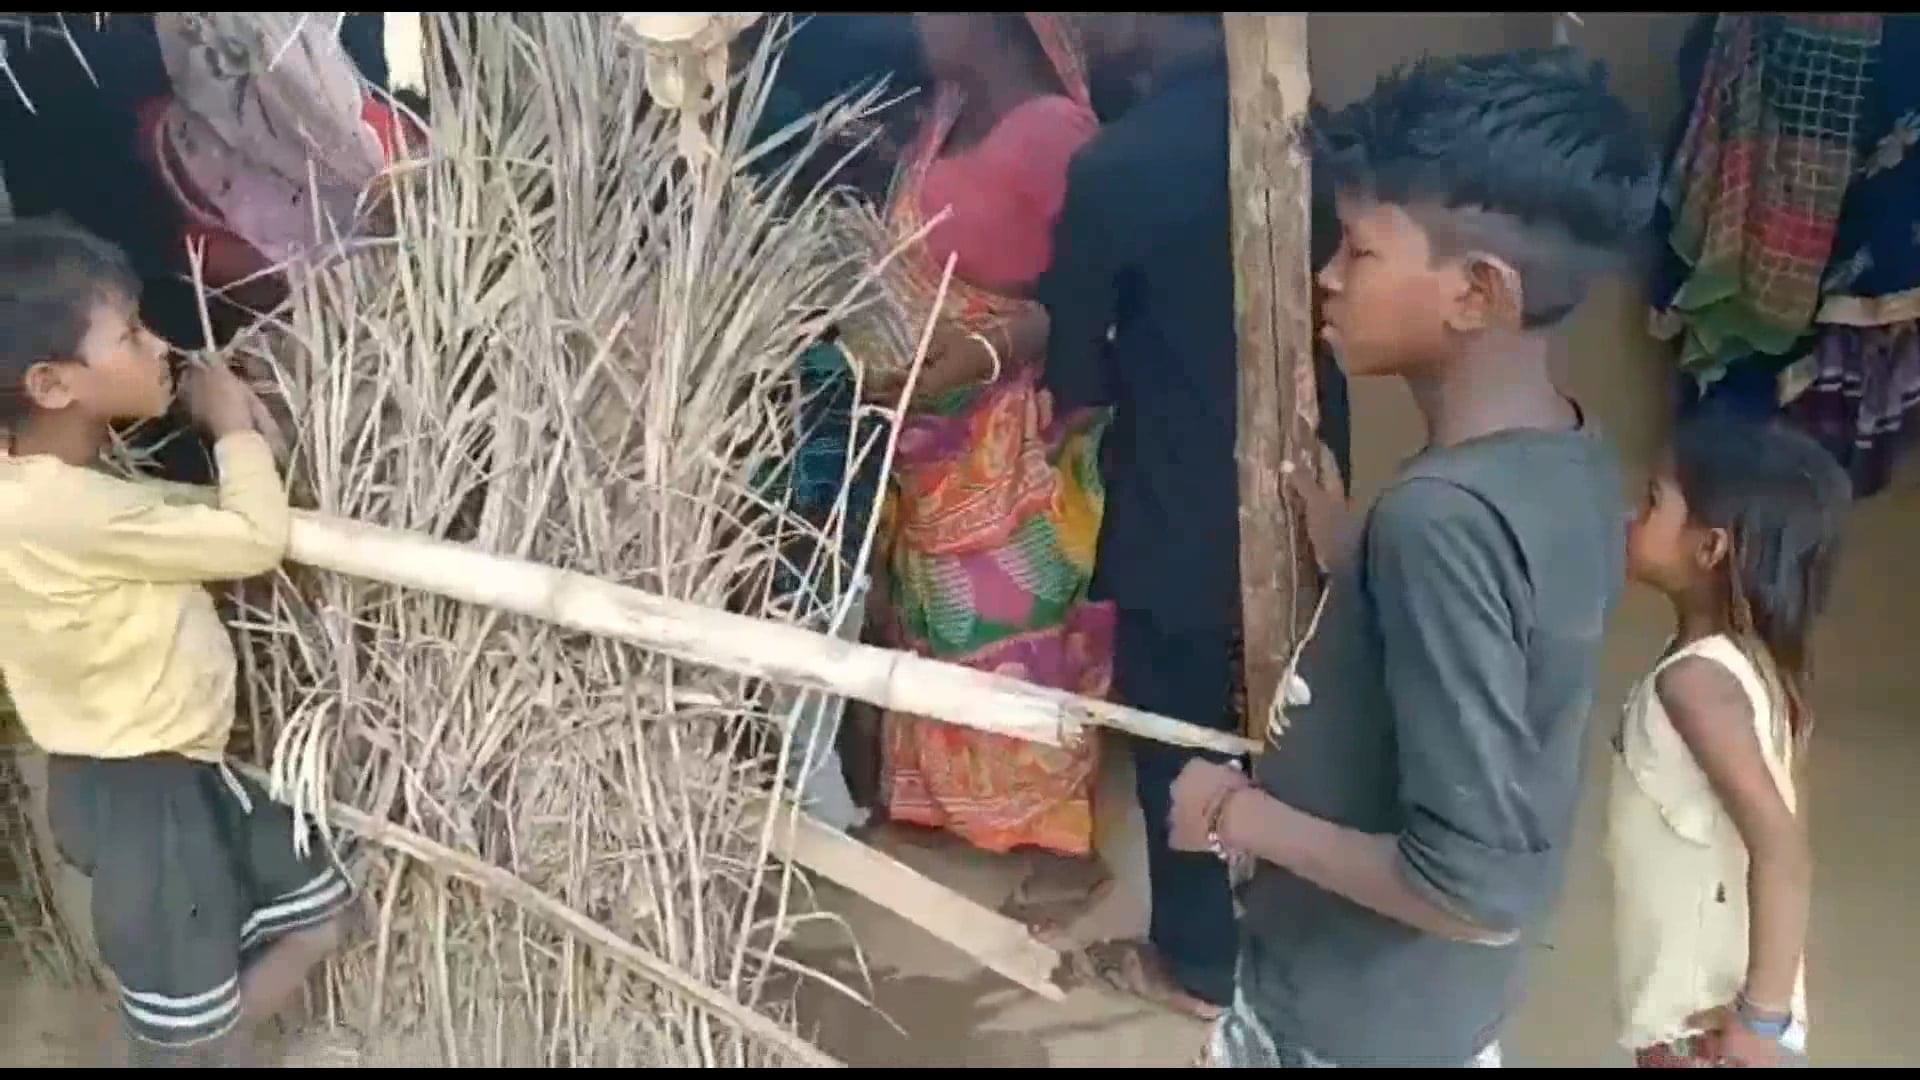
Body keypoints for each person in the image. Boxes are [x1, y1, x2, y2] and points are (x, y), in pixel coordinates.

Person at [1168, 49, 1662, 1066]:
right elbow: (1512, 639)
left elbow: (1468, 888)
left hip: (1346, 1027)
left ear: (1478, 292)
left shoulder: (1436, 523)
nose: (1326, 276)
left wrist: (1239, 814)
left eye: (1359, 252)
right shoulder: (1570, 456)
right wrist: (1357, 555)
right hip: (1432, 1015)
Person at [0, 219, 351, 1067]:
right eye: (129, 334)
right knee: (188, 1028)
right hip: (142, 796)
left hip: (170, 774)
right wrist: (231, 431)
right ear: (50, 383)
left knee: (320, 918)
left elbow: (162, 524)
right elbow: (254, 540)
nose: (159, 345)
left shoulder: (43, 493)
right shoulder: (64, 511)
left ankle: (214, 1047)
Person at [863, 15, 1117, 905]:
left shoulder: (1055, 135)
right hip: (931, 424)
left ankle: (1051, 835)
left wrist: (980, 354)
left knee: (1016, 624)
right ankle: (947, 804)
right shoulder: (946, 110)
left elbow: (1086, 303)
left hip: (1008, 429)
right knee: (934, 615)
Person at [1032, 12, 1241, 1019]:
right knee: (1283, 710)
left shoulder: (1120, 165)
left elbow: (1073, 370)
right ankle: (1275, 923)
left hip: (1176, 494)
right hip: (1304, 479)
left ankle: (1199, 964)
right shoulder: (1309, 132)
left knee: (1178, 721)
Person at [1610, 414, 1848, 1068]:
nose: (1631, 515)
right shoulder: (1742, 666)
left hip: (1708, 1034)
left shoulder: (1697, 684)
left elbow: (1782, 850)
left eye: (1653, 502)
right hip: (1705, 1024)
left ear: (1710, 547)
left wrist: (1758, 1022)